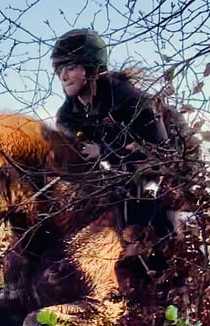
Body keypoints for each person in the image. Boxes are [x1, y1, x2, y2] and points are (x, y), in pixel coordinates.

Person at [50, 28, 188, 242]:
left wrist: (104, 152)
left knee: (155, 217)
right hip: (112, 180)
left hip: (161, 175)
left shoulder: (133, 101)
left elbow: (162, 156)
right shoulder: (67, 116)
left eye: (71, 67)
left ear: (91, 68)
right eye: (59, 69)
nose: (63, 76)